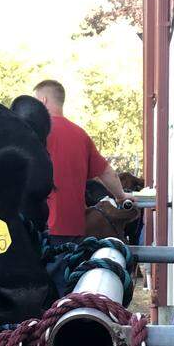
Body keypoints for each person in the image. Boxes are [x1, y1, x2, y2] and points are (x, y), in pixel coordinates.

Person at [33, 79, 131, 294]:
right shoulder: (80, 134)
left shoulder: (34, 133)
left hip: (43, 228)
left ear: (43, 100)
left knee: (44, 297)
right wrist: (122, 196)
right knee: (69, 288)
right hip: (75, 229)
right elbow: (106, 172)